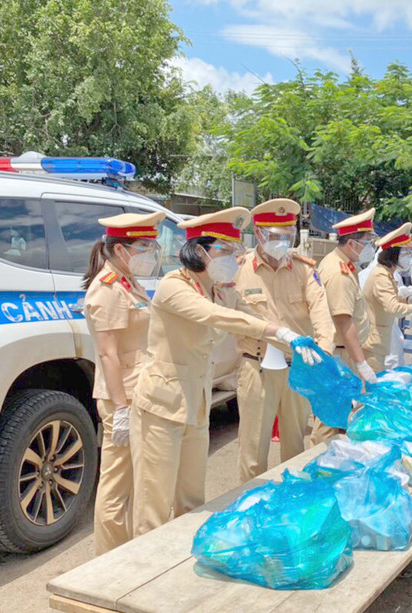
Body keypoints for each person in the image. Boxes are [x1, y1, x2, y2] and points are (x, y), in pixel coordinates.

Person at [130, 208, 317, 536]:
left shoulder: (219, 288)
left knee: (191, 497)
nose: (231, 257)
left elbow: (245, 310)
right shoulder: (174, 286)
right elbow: (219, 317)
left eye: (234, 250)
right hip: (163, 404)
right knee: (154, 502)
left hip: (197, 399)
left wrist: (290, 337)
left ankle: (180, 560)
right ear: (198, 250)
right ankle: (140, 572)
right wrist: (278, 331)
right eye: (223, 250)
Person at [234, 198, 335, 482]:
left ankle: (291, 508)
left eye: (287, 236)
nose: (282, 242)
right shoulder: (239, 270)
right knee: (253, 450)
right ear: (259, 234)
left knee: (295, 448)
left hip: (297, 367)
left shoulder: (303, 270)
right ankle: (249, 507)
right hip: (257, 367)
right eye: (275, 236)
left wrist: (323, 354)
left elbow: (321, 313)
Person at [82, 211, 164, 555]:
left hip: (136, 392)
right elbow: (108, 355)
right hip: (122, 397)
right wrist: (119, 409)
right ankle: (108, 562)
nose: (149, 252)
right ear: (120, 250)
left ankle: (124, 554)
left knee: (133, 481)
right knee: (115, 487)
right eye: (143, 246)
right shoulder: (108, 289)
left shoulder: (127, 281)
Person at [316, 208, 377, 441]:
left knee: (342, 416)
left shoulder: (346, 266)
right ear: (352, 243)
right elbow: (343, 321)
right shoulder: (338, 272)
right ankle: (318, 464)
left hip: (344, 354)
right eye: (367, 242)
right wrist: (361, 363)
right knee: (331, 420)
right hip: (341, 355)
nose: (370, 246)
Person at [362, 223, 412, 371]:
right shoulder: (381, 276)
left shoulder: (387, 274)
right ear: (394, 254)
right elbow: (392, 308)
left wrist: (408, 300)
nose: (409, 257)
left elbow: (391, 298)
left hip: (380, 339)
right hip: (374, 342)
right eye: (405, 252)